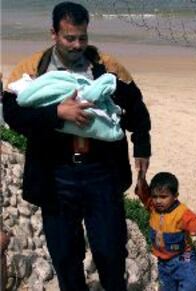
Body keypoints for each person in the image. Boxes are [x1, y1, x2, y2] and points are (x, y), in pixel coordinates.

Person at [2, 2, 151, 290]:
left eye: (82, 37)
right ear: (54, 34)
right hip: (55, 174)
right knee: (65, 256)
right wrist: (57, 114)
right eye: (69, 38)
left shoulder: (106, 67)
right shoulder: (32, 69)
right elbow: (13, 115)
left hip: (102, 173)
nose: (77, 44)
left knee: (111, 253)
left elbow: (136, 108)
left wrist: (142, 146)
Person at [137, 172, 196, 291]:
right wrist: (141, 180)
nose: (158, 201)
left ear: (175, 196)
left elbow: (194, 221)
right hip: (163, 261)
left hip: (184, 257)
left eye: (163, 197)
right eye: (155, 196)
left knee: (191, 286)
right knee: (166, 288)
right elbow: (143, 194)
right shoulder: (152, 207)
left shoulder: (181, 212)